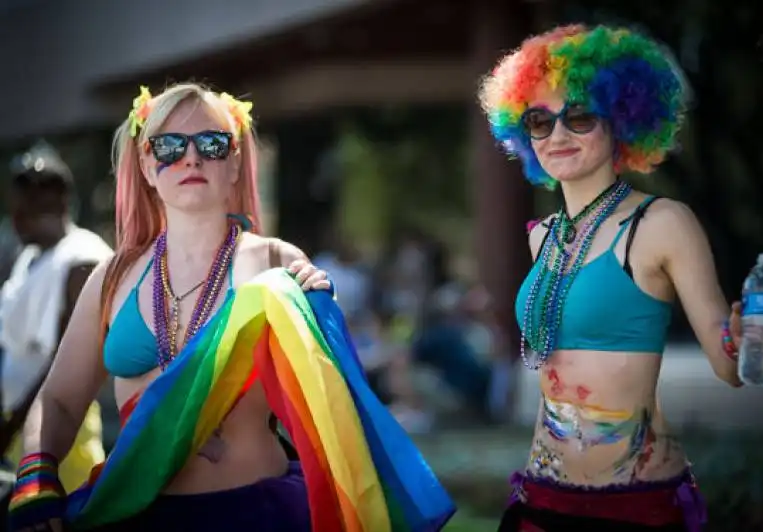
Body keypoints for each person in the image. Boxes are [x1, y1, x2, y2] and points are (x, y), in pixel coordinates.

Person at [7, 84, 454, 531]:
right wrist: (36, 477)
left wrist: (323, 323)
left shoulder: (280, 262)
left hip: (261, 513)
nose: (191, 157)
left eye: (212, 143)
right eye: (169, 145)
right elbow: (60, 399)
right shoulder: (112, 277)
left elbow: (337, 407)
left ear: (236, 162)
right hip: (136, 512)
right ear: (146, 163)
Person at [478, 24, 763, 532]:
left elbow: (729, 366)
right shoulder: (543, 238)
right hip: (539, 499)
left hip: (636, 506)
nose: (558, 135)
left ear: (623, 122)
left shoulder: (662, 224)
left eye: (579, 116)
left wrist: (743, 335)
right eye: (539, 121)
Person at [1, 143, 111, 493]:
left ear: (58, 204)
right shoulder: (30, 256)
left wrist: (8, 431)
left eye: (28, 209)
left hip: (60, 435)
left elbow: (64, 367)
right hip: (18, 428)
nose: (15, 217)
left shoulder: (83, 261)